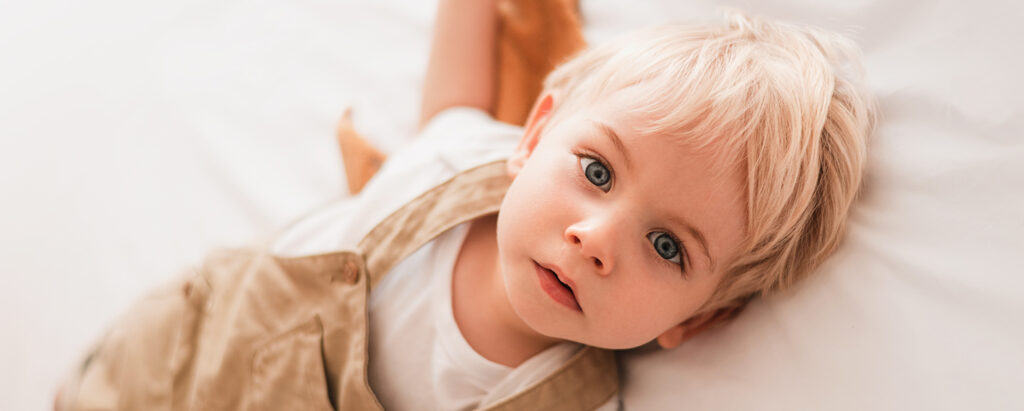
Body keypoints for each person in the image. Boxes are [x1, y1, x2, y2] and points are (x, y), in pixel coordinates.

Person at [56, 2, 875, 410]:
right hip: (170, 364)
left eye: (668, 247)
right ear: (535, 136)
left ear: (698, 321)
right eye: (595, 171)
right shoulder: (458, 155)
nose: (596, 237)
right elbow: (457, 76)